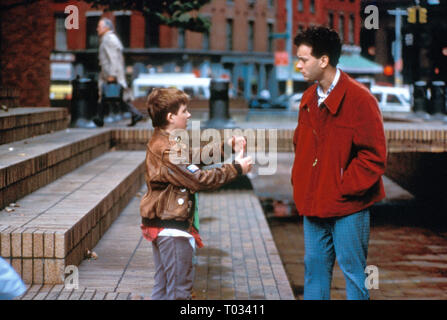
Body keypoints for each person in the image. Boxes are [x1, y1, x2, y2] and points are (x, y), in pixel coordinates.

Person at [291, 26, 387, 300]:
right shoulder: (308, 99)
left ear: (323, 60)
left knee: (355, 276)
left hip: (349, 206)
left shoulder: (361, 99)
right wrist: (302, 183)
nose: (298, 65)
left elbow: (374, 157)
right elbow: (302, 146)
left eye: (303, 59)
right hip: (314, 204)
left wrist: (341, 186)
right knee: (314, 273)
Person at [140, 88, 252, 300]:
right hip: (172, 229)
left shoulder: (165, 141)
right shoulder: (167, 149)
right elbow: (199, 179)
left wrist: (224, 148)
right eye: (185, 110)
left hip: (164, 224)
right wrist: (236, 168)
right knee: (179, 292)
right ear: (171, 117)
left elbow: (190, 159)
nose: (189, 115)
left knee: (163, 288)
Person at [94, 17, 143, 127]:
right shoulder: (109, 38)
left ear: (106, 28)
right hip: (109, 74)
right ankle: (100, 118)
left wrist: (112, 75)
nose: (97, 29)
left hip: (111, 75)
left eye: (99, 26)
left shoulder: (108, 39)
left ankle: (135, 114)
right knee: (109, 96)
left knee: (115, 96)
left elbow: (113, 58)